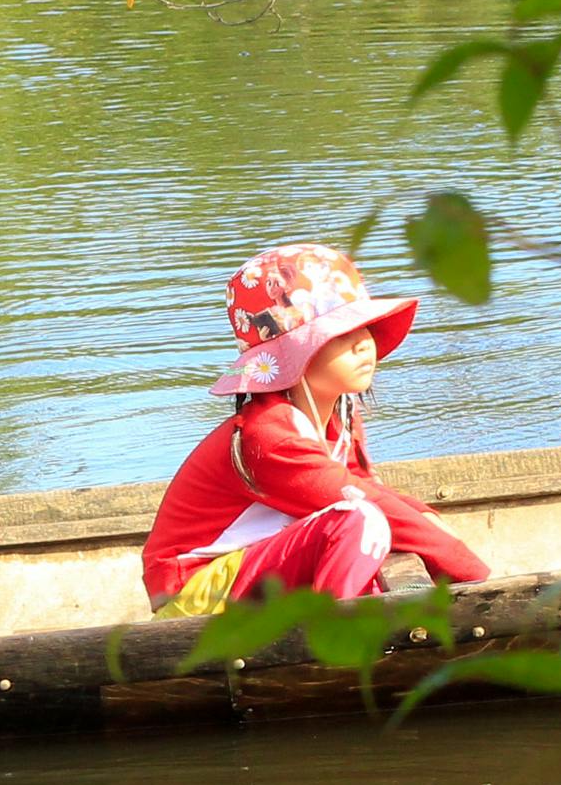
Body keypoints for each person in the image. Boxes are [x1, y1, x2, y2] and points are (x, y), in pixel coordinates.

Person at [142, 242, 491, 617]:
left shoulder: (339, 415)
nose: (363, 345)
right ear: (293, 357)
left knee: (380, 522)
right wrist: (475, 579)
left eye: (364, 328)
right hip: (193, 596)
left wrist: (425, 516)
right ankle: (328, 643)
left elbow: (359, 482)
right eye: (339, 335)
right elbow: (367, 505)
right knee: (361, 520)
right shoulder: (271, 436)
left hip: (259, 568)